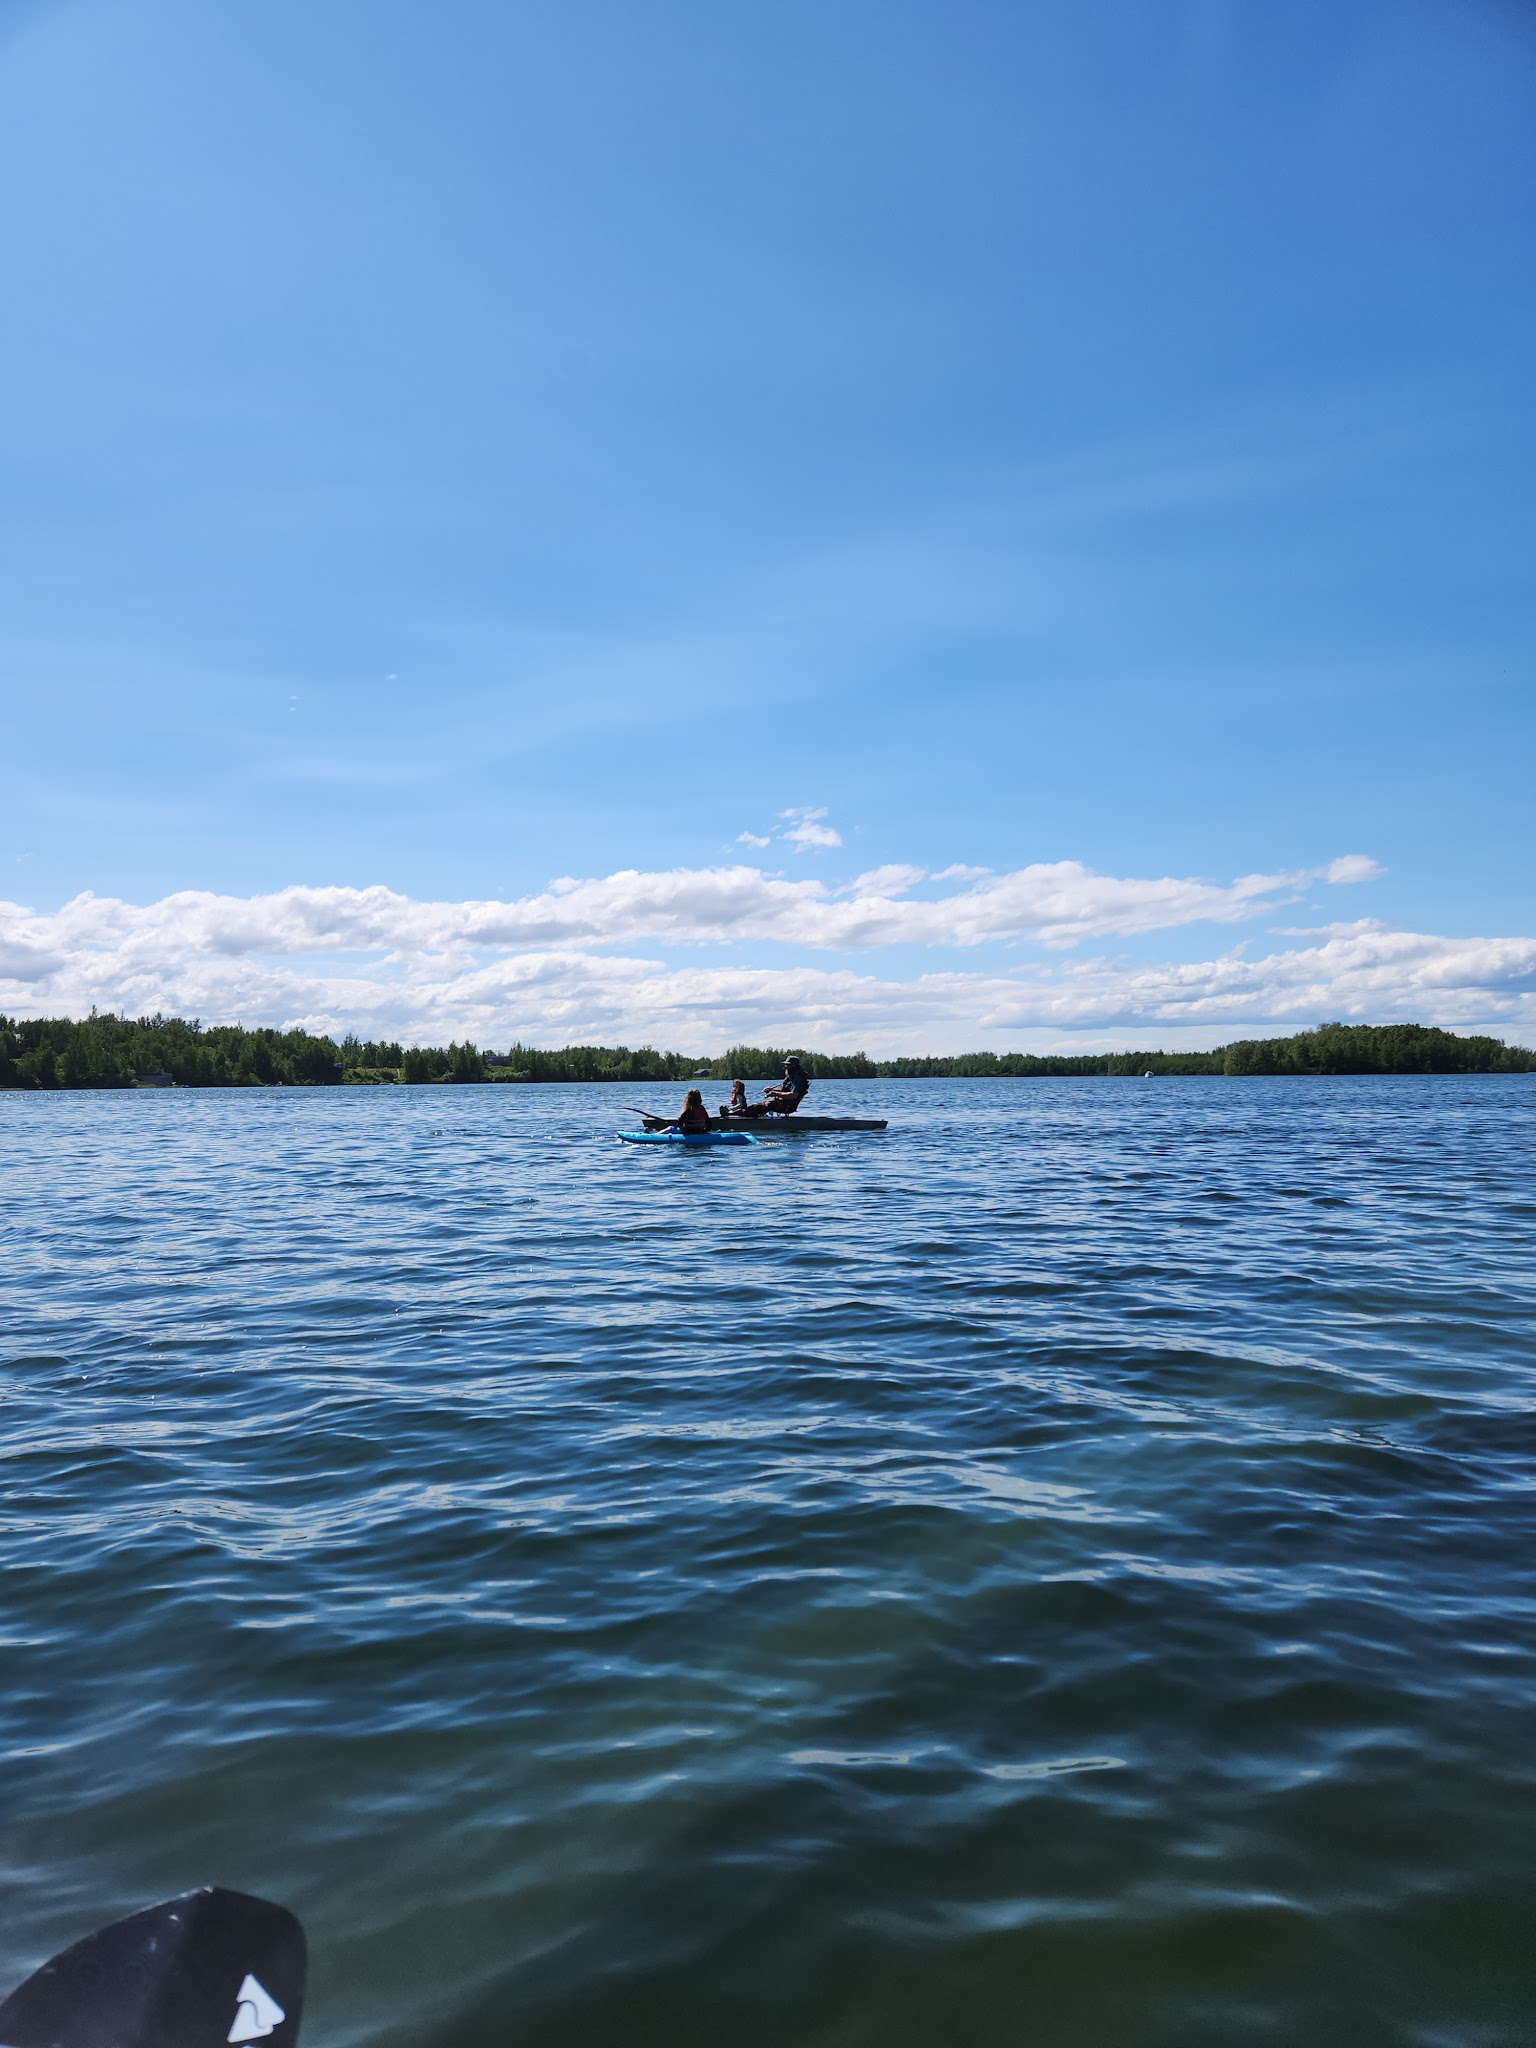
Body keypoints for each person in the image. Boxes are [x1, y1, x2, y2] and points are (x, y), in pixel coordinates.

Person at [735, 1057, 810, 1119]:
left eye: (788, 1065)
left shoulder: (798, 1079)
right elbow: (784, 1091)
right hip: (782, 1103)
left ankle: (736, 1116)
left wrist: (774, 1093)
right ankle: (738, 1114)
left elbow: (794, 1095)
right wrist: (772, 1090)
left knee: (759, 1107)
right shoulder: (792, 1077)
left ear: (794, 1066)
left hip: (787, 1106)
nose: (786, 1067)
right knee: (759, 1105)